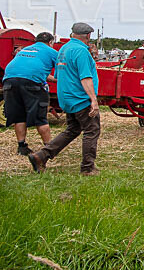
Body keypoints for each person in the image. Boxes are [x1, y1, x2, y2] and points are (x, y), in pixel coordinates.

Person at [28, 23, 101, 176]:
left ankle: (41, 156)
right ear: (88, 36)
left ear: (72, 34)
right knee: (91, 131)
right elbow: (85, 77)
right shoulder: (81, 51)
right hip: (80, 98)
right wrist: (93, 100)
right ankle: (87, 168)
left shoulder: (63, 49)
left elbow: (59, 75)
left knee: (72, 130)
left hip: (67, 98)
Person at [2, 32, 58, 156]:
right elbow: (63, 69)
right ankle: (49, 149)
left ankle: (22, 147)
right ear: (50, 42)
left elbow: (30, 71)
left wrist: (54, 79)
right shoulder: (52, 52)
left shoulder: (25, 50)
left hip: (9, 80)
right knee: (40, 118)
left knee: (19, 116)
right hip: (31, 83)